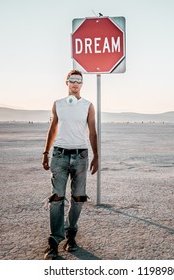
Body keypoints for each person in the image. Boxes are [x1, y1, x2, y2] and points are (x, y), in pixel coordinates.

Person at [42, 69, 99, 259]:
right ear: (66, 82)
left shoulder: (88, 105)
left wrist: (96, 155)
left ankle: (71, 234)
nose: (75, 84)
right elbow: (53, 129)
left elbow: (92, 132)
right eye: (72, 80)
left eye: (79, 81)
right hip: (59, 155)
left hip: (80, 155)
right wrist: (46, 152)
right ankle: (54, 240)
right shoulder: (58, 104)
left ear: (82, 84)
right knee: (57, 198)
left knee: (78, 198)